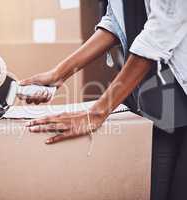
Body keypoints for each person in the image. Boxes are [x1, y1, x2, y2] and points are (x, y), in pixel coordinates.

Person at [20, 0, 187, 200]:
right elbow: (114, 22)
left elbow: (164, 27)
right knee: (153, 188)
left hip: (177, 86)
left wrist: (97, 112)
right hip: (156, 96)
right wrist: (58, 74)